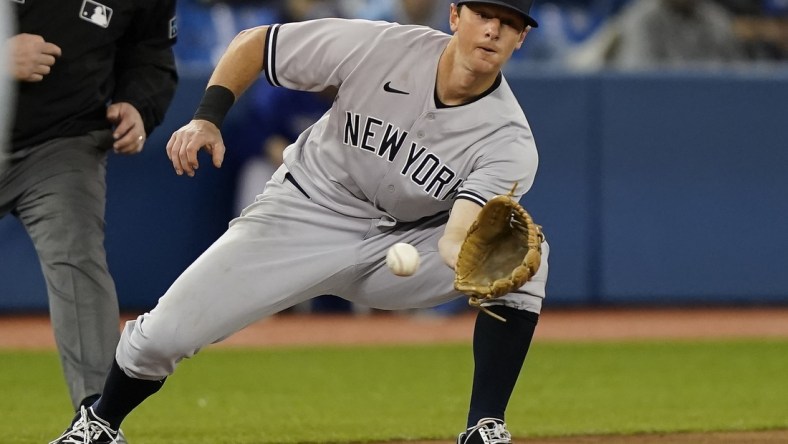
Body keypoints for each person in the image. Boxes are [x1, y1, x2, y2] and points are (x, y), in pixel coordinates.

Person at [50, 1, 549, 443]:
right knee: (163, 335)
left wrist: (459, 257)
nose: (493, 31)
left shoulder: (508, 139)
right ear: (456, 16)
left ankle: (485, 427)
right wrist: (206, 118)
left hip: (403, 244)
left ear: (521, 38)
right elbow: (254, 45)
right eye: (484, 15)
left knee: (528, 254)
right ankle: (99, 425)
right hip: (306, 212)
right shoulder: (381, 45)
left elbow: (459, 231)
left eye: (509, 23)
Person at [2, 1, 178, 443]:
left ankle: (96, 420)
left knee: (76, 258)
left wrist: (140, 105)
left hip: (61, 143)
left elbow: (150, 53)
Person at [606, 0, 745, 69]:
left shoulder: (717, 18)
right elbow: (638, 80)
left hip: (710, 106)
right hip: (659, 109)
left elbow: (735, 73)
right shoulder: (642, 20)